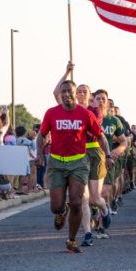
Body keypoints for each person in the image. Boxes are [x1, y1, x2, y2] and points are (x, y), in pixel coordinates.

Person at [37, 80, 112, 253]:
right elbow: (41, 135)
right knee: (56, 206)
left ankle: (71, 241)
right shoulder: (51, 113)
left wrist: (107, 155)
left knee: (77, 201)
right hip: (56, 162)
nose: (65, 95)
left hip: (79, 162)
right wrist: (40, 154)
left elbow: (100, 136)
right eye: (63, 92)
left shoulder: (85, 114)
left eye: (69, 92)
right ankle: (61, 212)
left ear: (75, 94)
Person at [52, 62, 105, 246]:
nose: (81, 93)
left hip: (93, 152)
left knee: (95, 198)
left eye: (85, 91)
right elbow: (56, 92)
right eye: (79, 90)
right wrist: (67, 72)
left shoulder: (93, 111)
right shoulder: (64, 105)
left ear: (90, 96)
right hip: (75, 157)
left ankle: (104, 211)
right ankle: (87, 233)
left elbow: (95, 133)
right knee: (82, 197)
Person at [96, 90, 127, 239]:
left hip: (107, 160)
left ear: (107, 102)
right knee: (91, 196)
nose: (101, 101)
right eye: (98, 99)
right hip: (90, 159)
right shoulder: (89, 117)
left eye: (103, 99)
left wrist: (118, 150)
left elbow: (124, 141)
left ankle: (101, 227)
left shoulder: (114, 121)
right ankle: (97, 214)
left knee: (105, 193)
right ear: (93, 101)